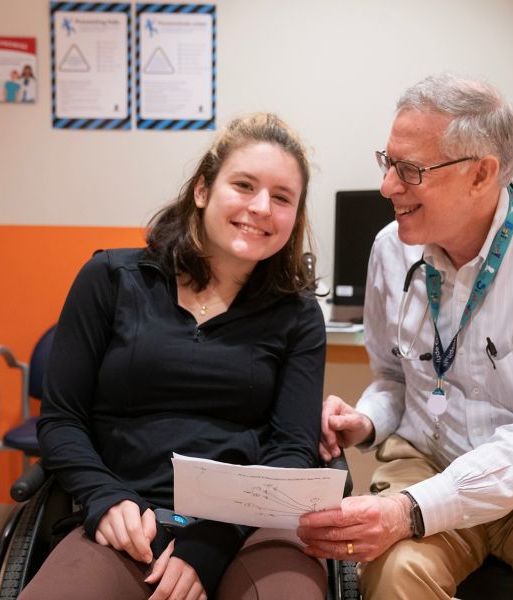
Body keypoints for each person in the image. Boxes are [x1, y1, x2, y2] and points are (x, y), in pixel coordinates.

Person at [297, 73, 513, 600]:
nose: (388, 187)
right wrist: (364, 421)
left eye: (410, 170)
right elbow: (391, 376)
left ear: (482, 174)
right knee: (392, 577)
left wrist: (408, 511)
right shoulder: (391, 248)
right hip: (428, 460)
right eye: (388, 163)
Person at [21, 113, 328, 600]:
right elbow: (62, 420)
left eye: (282, 197)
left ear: (295, 216)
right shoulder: (110, 278)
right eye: (244, 185)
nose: (261, 207)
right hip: (127, 515)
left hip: (249, 526)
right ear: (203, 189)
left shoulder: (298, 315)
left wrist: (213, 540)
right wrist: (105, 496)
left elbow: (292, 450)